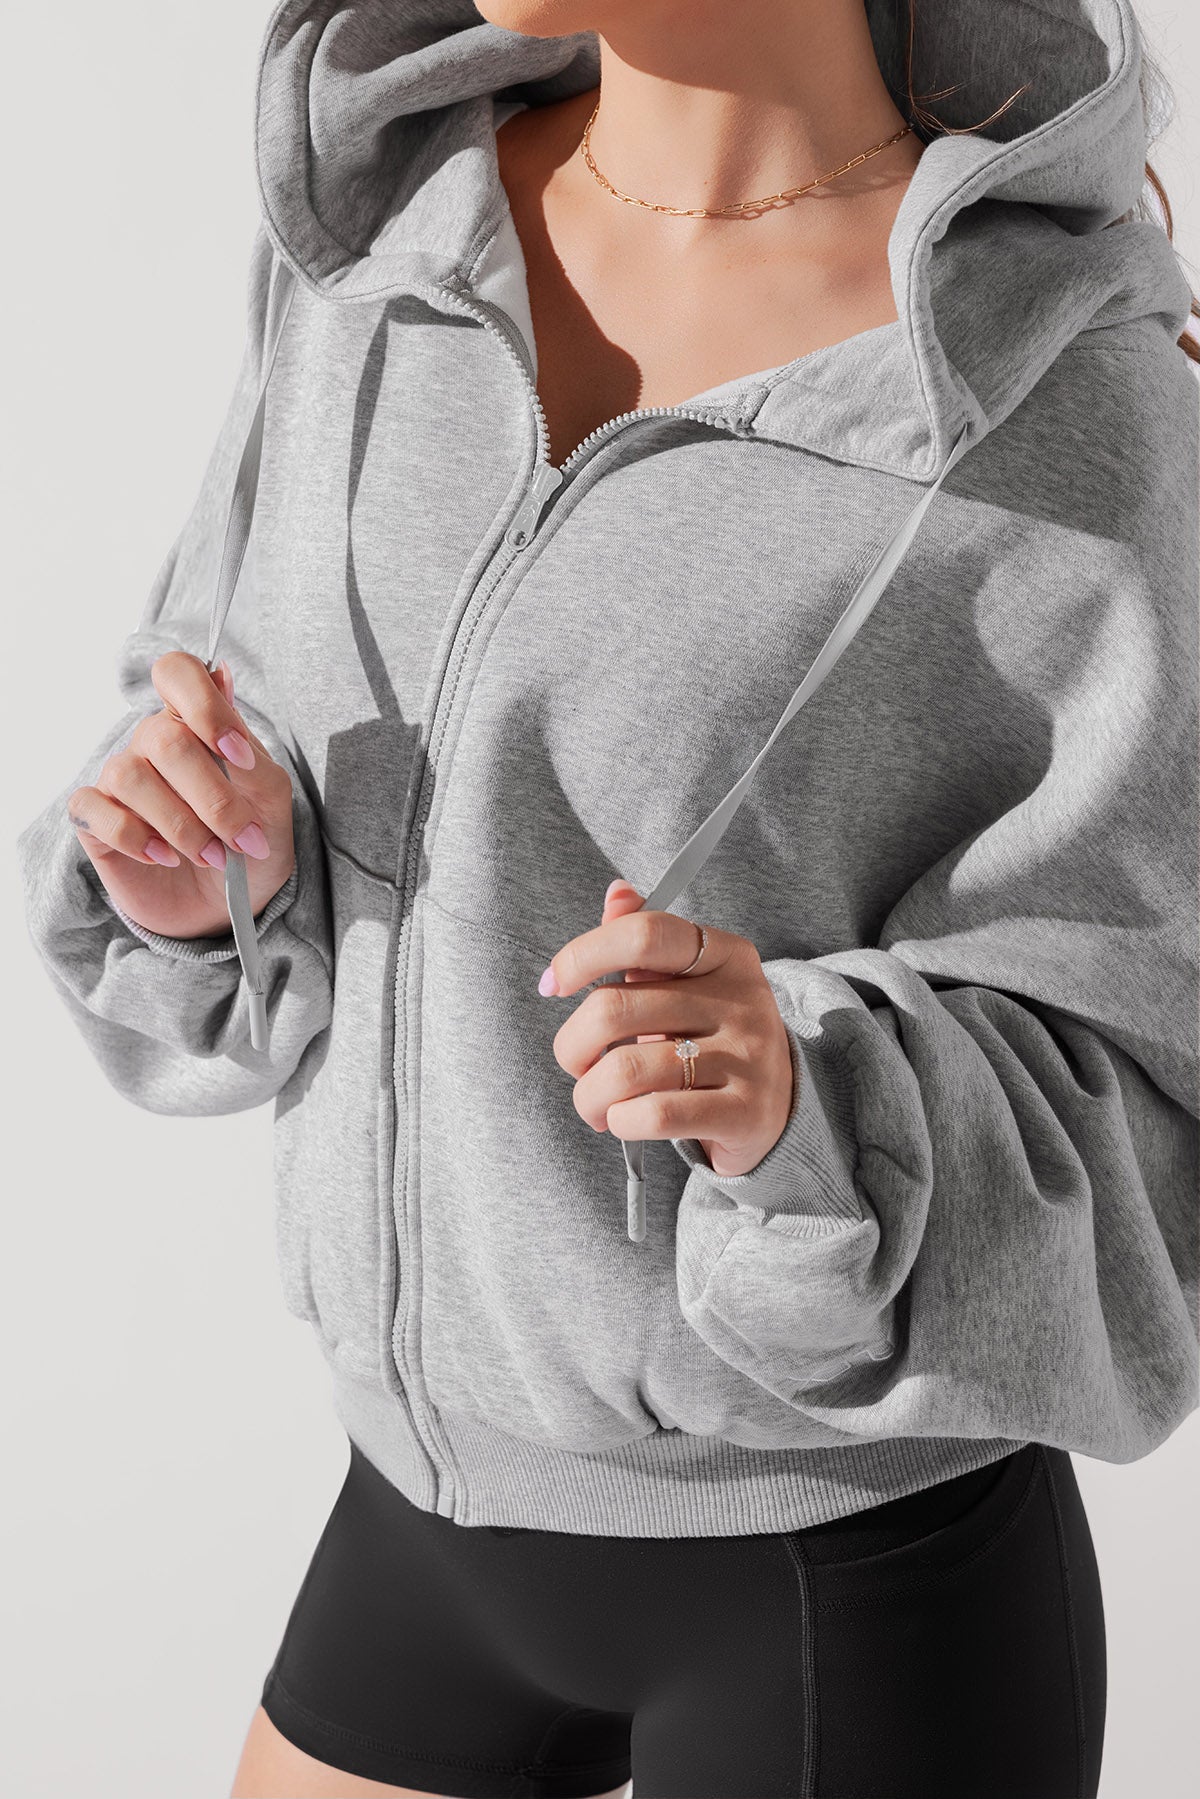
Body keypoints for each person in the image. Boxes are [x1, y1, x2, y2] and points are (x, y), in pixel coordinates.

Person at [16, 1, 1199, 1795]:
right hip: (417, 1513)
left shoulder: (1055, 390)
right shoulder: (380, 243)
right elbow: (233, 709)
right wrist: (214, 880)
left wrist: (808, 1101)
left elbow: (1153, 1108)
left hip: (847, 1587)